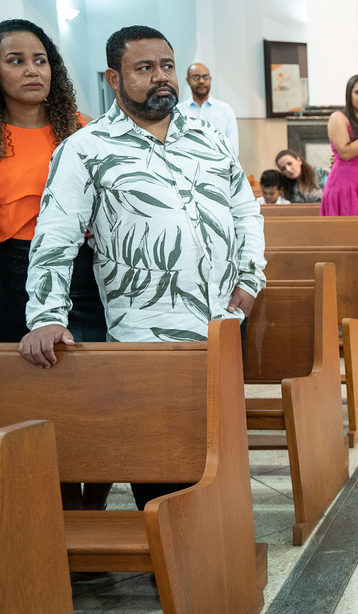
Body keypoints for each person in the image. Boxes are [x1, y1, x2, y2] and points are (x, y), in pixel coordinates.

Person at [18, 25, 265, 510]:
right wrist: (46, 314)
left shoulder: (208, 137)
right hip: (148, 331)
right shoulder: (86, 149)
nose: (161, 78)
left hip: (221, 323)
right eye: (144, 68)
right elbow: (57, 234)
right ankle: (171, 569)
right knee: (164, 463)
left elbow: (245, 209)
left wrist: (251, 276)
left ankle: (221, 551)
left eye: (167, 66)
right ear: (114, 78)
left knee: (223, 451)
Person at [0, 18, 110, 511]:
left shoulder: (83, 130)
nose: (31, 70)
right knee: (36, 393)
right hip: (10, 271)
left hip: (83, 270)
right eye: (15, 60)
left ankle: (96, 499)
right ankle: (54, 507)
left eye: (40, 60)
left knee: (92, 388)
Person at [320, 75, 358, 218]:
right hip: (346, 187)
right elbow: (345, 153)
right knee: (349, 237)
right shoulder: (338, 118)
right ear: (349, 94)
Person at [180, 62, 238, 153]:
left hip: (220, 166)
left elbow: (233, 148)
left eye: (205, 77)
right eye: (196, 77)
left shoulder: (225, 110)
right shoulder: (178, 111)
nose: (201, 81)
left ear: (210, 79)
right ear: (188, 81)